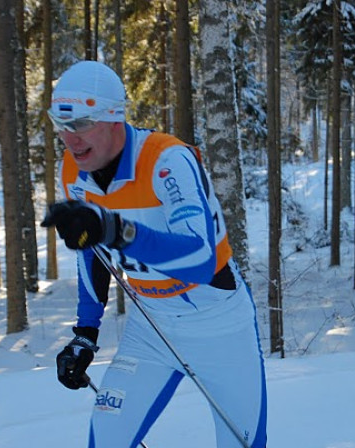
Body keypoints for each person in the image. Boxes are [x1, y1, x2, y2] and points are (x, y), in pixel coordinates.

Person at [41, 60, 267, 448]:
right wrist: (86, 333)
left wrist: (114, 229)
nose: (70, 139)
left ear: (113, 118)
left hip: (219, 325)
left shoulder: (168, 161)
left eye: (80, 125)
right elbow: (91, 250)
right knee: (107, 440)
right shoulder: (72, 170)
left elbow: (200, 259)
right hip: (150, 327)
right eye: (61, 126)